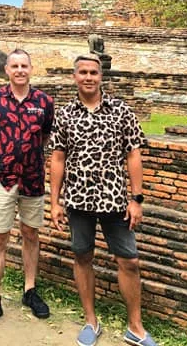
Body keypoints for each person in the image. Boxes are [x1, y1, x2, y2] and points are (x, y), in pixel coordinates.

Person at [49, 54, 158, 346]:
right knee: (83, 256)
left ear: (101, 76)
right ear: (75, 76)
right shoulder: (65, 114)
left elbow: (134, 154)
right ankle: (90, 321)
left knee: (129, 260)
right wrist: (55, 201)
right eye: (82, 72)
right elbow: (57, 158)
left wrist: (137, 199)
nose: (88, 77)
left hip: (114, 198)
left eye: (93, 72)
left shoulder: (121, 110)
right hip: (77, 197)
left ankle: (135, 327)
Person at [0, 48, 55, 327]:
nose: (20, 70)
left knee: (31, 233)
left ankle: (29, 290)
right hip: (2, 176)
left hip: (32, 177)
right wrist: (2, 154)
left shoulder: (44, 102)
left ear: (31, 69)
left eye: (24, 66)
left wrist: (28, 154)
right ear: (7, 70)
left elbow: (44, 136)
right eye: (15, 66)